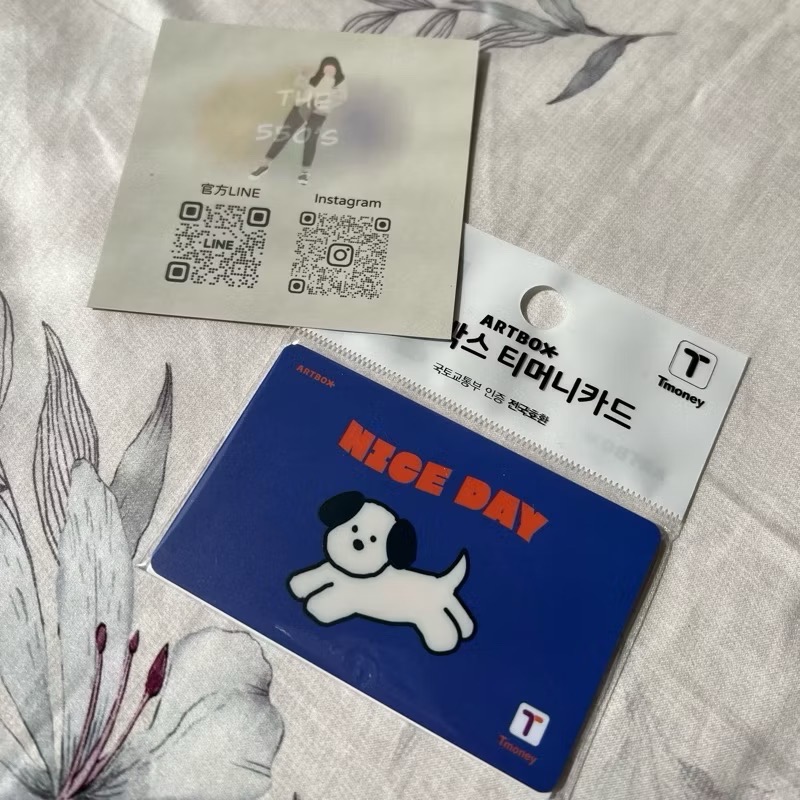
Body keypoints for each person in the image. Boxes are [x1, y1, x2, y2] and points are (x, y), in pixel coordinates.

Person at [251, 56, 347, 185]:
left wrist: (325, 102)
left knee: (311, 139)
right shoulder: (314, 76)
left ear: (336, 69)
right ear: (322, 68)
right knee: (284, 134)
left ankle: (305, 172)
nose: (329, 70)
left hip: (319, 112)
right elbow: (298, 85)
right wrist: (302, 75)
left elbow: (342, 98)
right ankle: (264, 164)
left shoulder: (339, 81)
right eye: (326, 68)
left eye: (332, 68)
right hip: (302, 106)